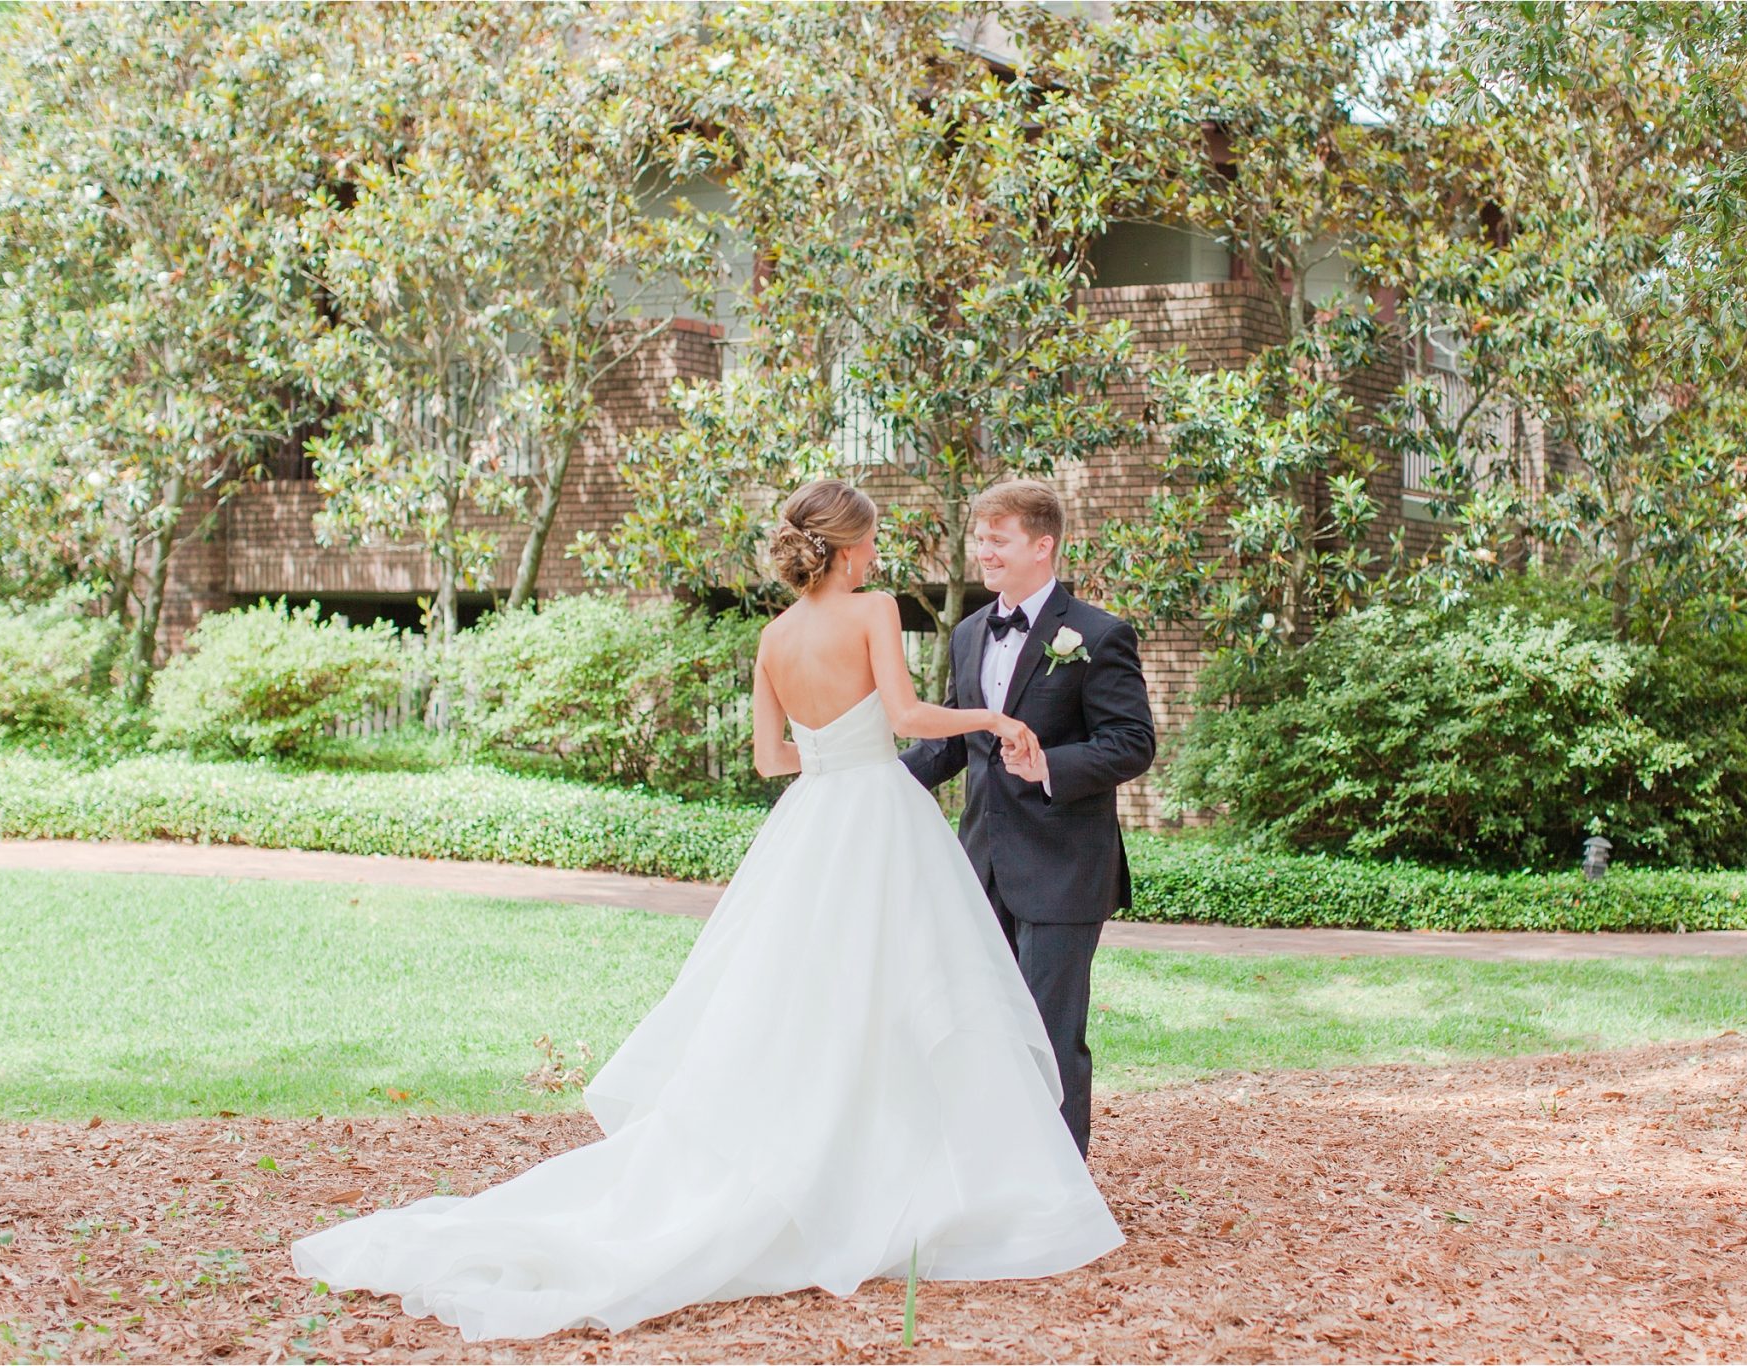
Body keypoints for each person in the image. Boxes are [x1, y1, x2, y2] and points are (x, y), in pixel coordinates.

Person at [289, 478, 1123, 1343]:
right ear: (847, 549)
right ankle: (908, 1173)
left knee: (806, 1002)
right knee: (904, 991)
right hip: (878, 815)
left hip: (813, 821)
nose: (877, 555)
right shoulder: (872, 611)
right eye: (870, 542)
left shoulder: (771, 638)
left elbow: (770, 758)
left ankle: (841, 1160)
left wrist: (836, 755)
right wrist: (990, 716)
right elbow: (911, 715)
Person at [900, 479, 1156, 1156]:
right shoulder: (967, 634)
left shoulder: (1099, 635)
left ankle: (1058, 1188)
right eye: (979, 538)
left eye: (998, 540)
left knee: (1048, 1033)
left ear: (1042, 546)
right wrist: (873, 783)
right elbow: (952, 743)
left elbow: (1133, 743)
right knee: (981, 1027)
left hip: (1064, 869)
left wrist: (1050, 767)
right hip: (979, 867)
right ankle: (996, 1169)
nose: (983, 551)